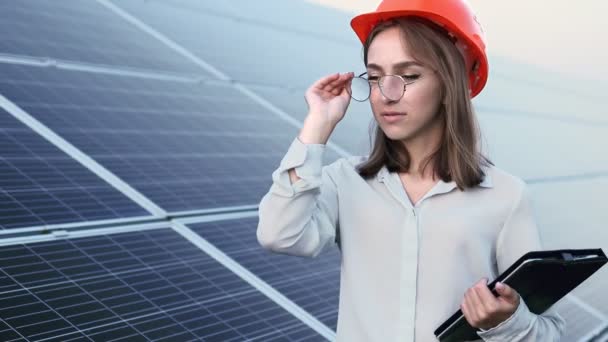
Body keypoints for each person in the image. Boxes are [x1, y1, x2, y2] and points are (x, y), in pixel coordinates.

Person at [256, 0, 566, 341]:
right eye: (374, 78)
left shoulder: (506, 197)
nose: (386, 95)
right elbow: (279, 234)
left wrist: (504, 322)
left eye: (408, 76)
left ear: (450, 84)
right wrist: (318, 125)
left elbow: (548, 333)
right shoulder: (345, 181)